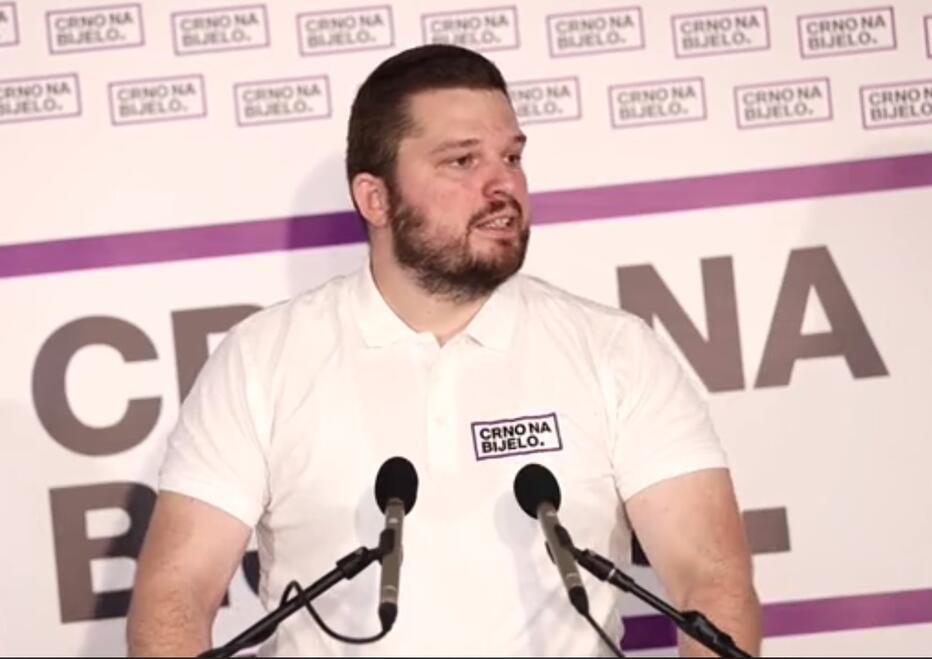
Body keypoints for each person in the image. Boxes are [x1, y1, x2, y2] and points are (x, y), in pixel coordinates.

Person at [127, 44, 761, 657]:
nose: (502, 184)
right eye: (462, 161)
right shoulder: (261, 360)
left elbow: (711, 581)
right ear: (375, 198)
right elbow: (176, 593)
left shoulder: (616, 352)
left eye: (511, 157)